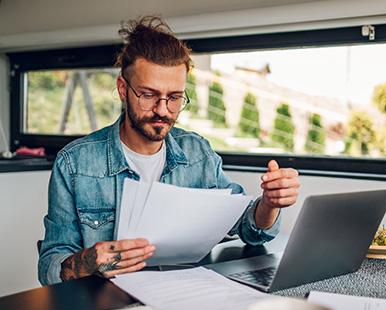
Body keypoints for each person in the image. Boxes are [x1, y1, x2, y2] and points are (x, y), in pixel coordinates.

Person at [38, 15, 300, 286]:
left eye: (174, 97)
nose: (162, 110)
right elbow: (50, 267)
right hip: (108, 303)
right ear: (122, 89)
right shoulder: (75, 164)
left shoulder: (198, 153)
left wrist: (269, 204)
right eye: (149, 95)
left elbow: (248, 227)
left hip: (186, 295)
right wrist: (89, 261)